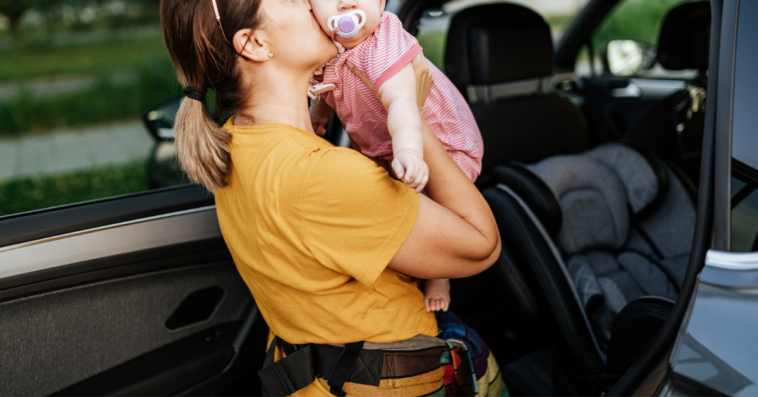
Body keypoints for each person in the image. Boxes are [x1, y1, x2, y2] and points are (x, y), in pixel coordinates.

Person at [159, 0, 502, 395]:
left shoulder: (238, 141)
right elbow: (482, 246)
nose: (312, 2)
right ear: (254, 44)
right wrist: (416, 121)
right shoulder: (321, 175)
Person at [308, 0, 484, 312]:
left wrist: (409, 151)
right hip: (390, 148)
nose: (347, 2)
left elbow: (401, 101)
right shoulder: (327, 52)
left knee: (438, 210)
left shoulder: (384, 42)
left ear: (379, 3)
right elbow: (328, 89)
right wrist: (318, 116)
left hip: (443, 144)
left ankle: (441, 275)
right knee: (405, 207)